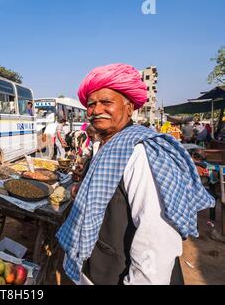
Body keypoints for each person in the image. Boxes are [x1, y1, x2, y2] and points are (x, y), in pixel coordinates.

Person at [56, 63, 215, 285]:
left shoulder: (140, 152)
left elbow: (156, 242)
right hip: (100, 268)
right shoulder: (106, 146)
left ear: (129, 107)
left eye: (106, 102)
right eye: (91, 104)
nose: (96, 109)